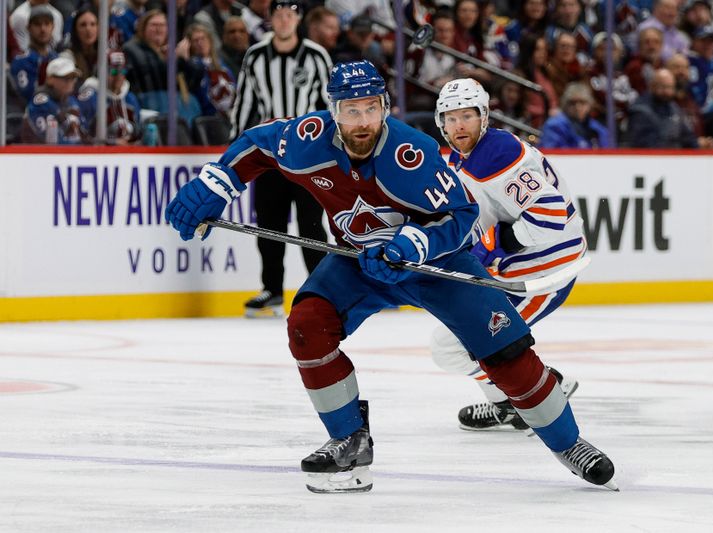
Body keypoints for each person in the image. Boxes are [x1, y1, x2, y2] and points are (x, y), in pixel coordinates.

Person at [164, 59, 617, 493]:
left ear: (385, 107)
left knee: (507, 353)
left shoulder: (412, 154)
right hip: (359, 261)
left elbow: (460, 215)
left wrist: (413, 243)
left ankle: (569, 443)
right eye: (350, 110)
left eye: (371, 109)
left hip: (437, 265)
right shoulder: (308, 139)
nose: (362, 121)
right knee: (307, 325)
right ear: (332, 111)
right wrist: (216, 183)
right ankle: (349, 441)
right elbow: (259, 145)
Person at [434, 78, 582, 431]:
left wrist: (500, 244)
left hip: (544, 271)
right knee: (449, 345)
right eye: (451, 118)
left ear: (483, 117)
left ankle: (544, 390)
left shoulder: (496, 153)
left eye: (466, 116)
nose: (459, 126)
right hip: (525, 266)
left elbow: (548, 216)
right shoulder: (468, 155)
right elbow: (483, 213)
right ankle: (508, 403)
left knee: (455, 346)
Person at [230, 0, 332, 318]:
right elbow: (244, 104)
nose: (284, 20)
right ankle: (272, 289)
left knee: (311, 225)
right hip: (270, 155)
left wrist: (333, 149)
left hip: (308, 157)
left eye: (290, 14)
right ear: (270, 18)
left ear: (298, 18)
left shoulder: (316, 55)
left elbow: (330, 105)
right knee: (269, 224)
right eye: (279, 15)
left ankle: (323, 290)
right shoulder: (256, 56)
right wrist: (238, 147)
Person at [77, 50, 141, 145]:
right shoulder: (90, 98)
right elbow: (80, 136)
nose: (119, 76)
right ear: (100, 72)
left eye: (122, 71)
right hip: (98, 156)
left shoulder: (130, 98)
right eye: (114, 71)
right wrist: (111, 142)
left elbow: (137, 132)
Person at [21, 56, 85, 144]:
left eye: (73, 78)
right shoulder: (40, 103)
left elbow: (83, 135)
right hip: (38, 155)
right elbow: (52, 143)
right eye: (65, 78)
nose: (70, 82)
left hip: (75, 155)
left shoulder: (71, 100)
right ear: (50, 79)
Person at [538, 82, 611, 149]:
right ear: (565, 105)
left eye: (582, 102)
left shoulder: (597, 129)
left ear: (590, 105)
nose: (577, 107)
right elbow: (549, 153)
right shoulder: (554, 126)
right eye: (572, 103)